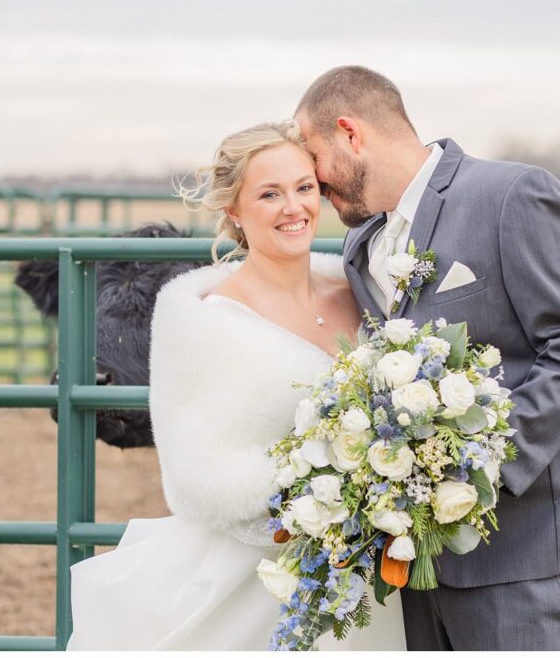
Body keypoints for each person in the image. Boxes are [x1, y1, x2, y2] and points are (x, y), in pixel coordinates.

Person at [295, 65, 560, 651]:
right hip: (418, 559)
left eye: (314, 157)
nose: (315, 183)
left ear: (350, 133)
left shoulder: (513, 194)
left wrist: (474, 468)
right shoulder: (359, 245)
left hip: (523, 545)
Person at [65, 121, 405, 650]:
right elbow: (198, 480)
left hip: (376, 575)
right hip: (261, 583)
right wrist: (327, 500)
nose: (293, 208)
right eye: (269, 194)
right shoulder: (204, 320)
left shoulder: (361, 291)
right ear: (234, 212)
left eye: (304, 188)